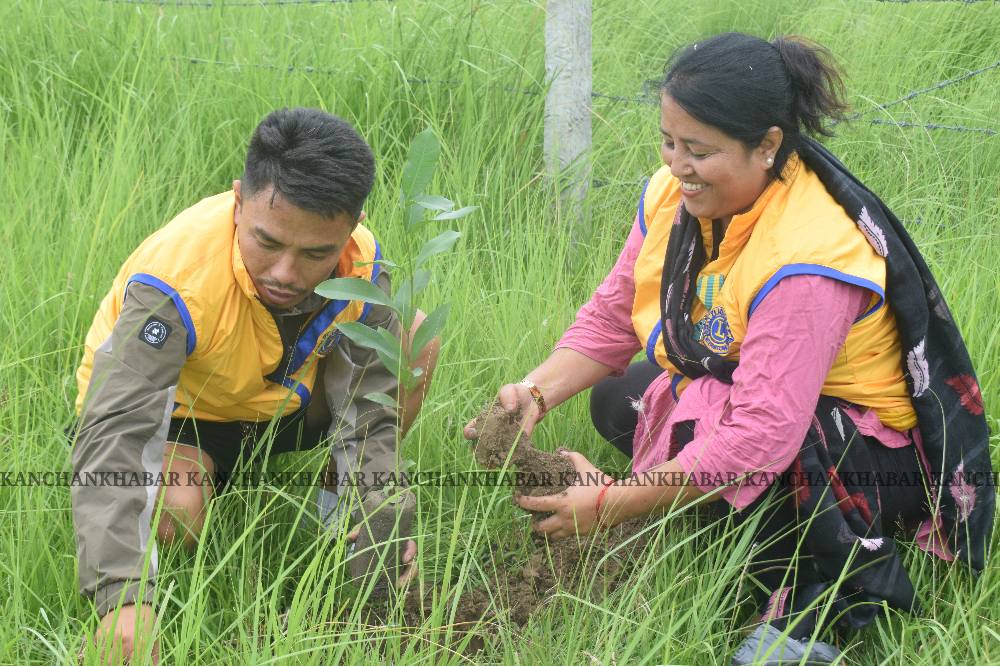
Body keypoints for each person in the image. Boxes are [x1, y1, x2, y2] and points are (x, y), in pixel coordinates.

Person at [466, 33, 993, 664]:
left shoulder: (808, 257)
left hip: (860, 460)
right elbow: (613, 316)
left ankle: (814, 610)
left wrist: (611, 503)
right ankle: (710, 515)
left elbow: (761, 438)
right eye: (668, 141)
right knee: (621, 397)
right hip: (773, 414)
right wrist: (534, 391)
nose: (677, 165)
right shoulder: (673, 196)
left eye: (699, 150)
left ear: (768, 145)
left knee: (769, 452)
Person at [71, 107, 437, 664]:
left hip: (274, 411)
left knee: (411, 340)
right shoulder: (177, 280)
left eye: (315, 253)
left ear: (352, 224)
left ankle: (340, 523)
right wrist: (121, 594)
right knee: (178, 511)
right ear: (240, 201)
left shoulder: (362, 263)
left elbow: (369, 408)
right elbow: (114, 431)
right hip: (183, 419)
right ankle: (198, 498)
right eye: (268, 242)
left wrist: (379, 504)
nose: (286, 273)